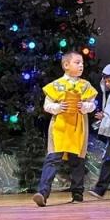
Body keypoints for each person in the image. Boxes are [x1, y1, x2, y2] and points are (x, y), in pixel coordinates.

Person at [35, 52, 98, 206]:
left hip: (78, 128)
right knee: (53, 159)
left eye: (82, 63)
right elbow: (47, 105)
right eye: (77, 62)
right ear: (66, 65)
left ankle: (77, 194)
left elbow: (92, 104)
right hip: (60, 128)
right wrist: (58, 107)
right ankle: (42, 193)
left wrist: (84, 106)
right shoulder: (56, 85)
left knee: (77, 161)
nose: (81, 65)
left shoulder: (85, 85)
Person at [90, 63, 110, 199]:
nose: (108, 84)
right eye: (106, 81)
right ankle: (100, 189)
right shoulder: (109, 96)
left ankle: (100, 189)